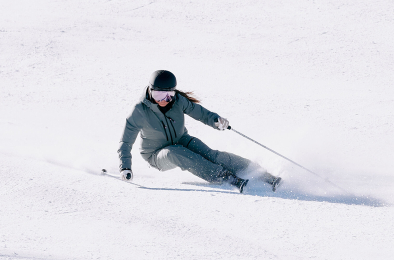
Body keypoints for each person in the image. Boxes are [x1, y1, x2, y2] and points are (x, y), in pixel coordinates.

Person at [118, 70, 282, 193]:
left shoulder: (177, 101)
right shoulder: (139, 110)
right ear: (150, 91)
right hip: (156, 154)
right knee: (176, 153)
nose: (163, 100)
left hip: (182, 139)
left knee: (213, 155)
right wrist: (125, 167)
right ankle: (223, 176)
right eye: (158, 95)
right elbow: (125, 142)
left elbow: (200, 113)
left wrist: (216, 121)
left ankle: (259, 173)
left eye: (168, 95)